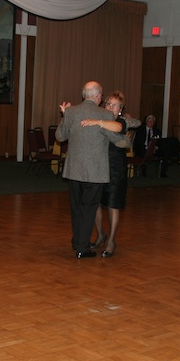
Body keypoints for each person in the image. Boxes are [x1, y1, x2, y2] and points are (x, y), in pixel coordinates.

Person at [55, 81, 130, 259]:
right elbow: (116, 139)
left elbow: (59, 136)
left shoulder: (71, 112)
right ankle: (82, 248)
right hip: (95, 172)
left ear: (83, 95)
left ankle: (77, 241)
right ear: (98, 97)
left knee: (76, 208)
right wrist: (127, 142)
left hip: (74, 170)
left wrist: (65, 116)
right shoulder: (104, 114)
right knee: (89, 208)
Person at [83, 90, 140, 258]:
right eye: (109, 104)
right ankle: (100, 234)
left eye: (116, 105)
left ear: (120, 109)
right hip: (98, 166)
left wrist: (98, 122)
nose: (111, 107)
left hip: (116, 168)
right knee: (96, 204)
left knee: (113, 205)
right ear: (104, 104)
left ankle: (111, 241)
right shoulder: (98, 117)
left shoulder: (121, 121)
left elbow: (123, 126)